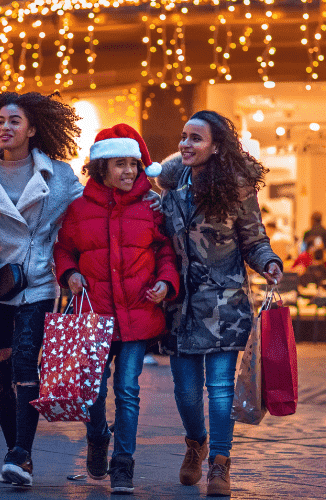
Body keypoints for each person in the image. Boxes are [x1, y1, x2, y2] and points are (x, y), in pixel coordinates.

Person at [0, 91, 85, 487]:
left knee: (27, 365)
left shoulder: (58, 176)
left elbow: (83, 215)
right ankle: (15, 454)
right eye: (0, 122)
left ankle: (21, 453)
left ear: (33, 129)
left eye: (14, 121)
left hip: (37, 285)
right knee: (1, 370)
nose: (5, 128)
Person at [155, 109, 283, 497]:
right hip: (180, 306)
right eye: (183, 137)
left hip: (224, 305)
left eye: (196, 138)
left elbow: (254, 239)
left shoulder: (236, 187)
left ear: (215, 145)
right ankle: (196, 443)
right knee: (186, 392)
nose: (186, 144)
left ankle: (220, 464)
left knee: (221, 388)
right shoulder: (172, 181)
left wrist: (269, 263)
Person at [53, 124, 180, 494]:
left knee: (127, 389)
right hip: (94, 316)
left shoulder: (149, 207)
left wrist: (165, 283)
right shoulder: (78, 209)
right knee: (93, 390)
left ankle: (123, 465)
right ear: (102, 167)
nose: (129, 172)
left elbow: (165, 252)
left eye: (134, 165)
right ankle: (97, 436)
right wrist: (71, 272)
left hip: (139, 313)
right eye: (120, 164)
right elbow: (64, 249)